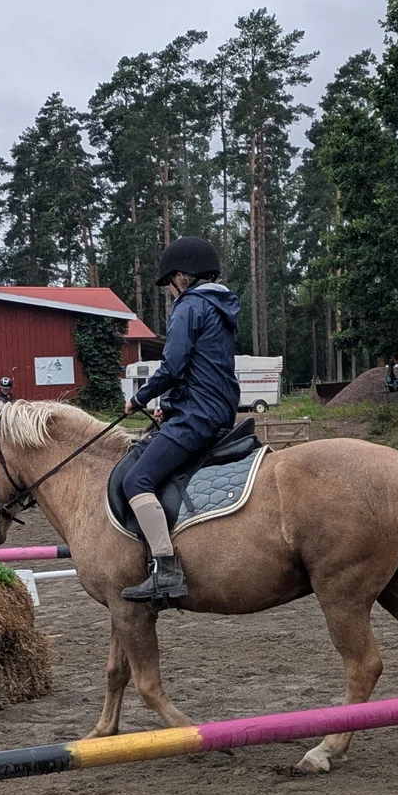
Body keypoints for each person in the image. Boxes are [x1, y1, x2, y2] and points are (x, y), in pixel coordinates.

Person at [120, 236, 240, 604]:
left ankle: (166, 568)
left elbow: (173, 366)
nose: (171, 292)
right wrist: (170, 404)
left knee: (136, 479)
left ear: (182, 278)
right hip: (216, 408)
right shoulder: (220, 306)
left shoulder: (189, 306)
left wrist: (139, 397)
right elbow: (201, 368)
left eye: (170, 284)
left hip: (198, 415)